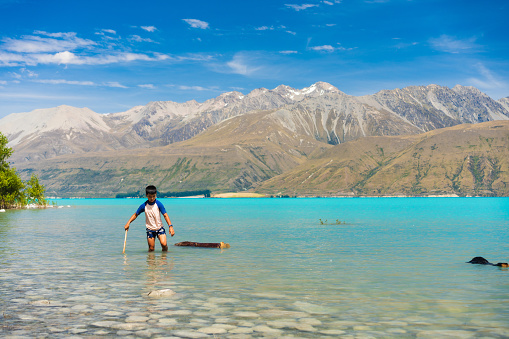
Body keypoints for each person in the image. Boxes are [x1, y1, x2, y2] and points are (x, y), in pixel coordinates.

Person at [124, 185, 175, 251]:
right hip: (150, 229)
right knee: (151, 248)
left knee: (164, 244)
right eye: (150, 197)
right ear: (146, 195)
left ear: (156, 194)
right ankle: (151, 261)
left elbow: (165, 215)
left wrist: (170, 226)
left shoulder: (159, 204)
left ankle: (164, 259)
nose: (152, 198)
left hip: (159, 228)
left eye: (154, 196)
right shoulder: (144, 206)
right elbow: (135, 214)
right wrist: (128, 223)